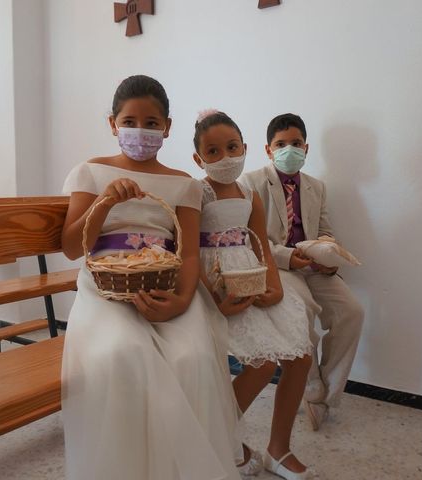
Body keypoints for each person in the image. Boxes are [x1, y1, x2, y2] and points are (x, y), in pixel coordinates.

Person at [60, 75, 241, 480]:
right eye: (129, 121)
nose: (140, 131)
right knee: (123, 353)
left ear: (168, 127)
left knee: (191, 357)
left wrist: (180, 300)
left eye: (151, 123)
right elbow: (73, 247)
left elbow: (189, 252)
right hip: (106, 288)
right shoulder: (90, 172)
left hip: (167, 282)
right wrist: (105, 203)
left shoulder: (182, 184)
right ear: (112, 124)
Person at [194, 110, 315, 480]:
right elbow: (187, 250)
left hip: (251, 275)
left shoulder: (249, 194)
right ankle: (213, 437)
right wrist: (214, 295)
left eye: (232, 147)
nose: (225, 157)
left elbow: (260, 243)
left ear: (245, 148)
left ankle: (278, 448)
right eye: (212, 151)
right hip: (215, 283)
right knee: (262, 364)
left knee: (301, 352)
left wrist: (274, 285)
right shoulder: (197, 192)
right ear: (199, 159)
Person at [240, 113, 364, 431]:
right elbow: (251, 239)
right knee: (302, 312)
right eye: (281, 145)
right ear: (268, 150)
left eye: (296, 144)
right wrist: (288, 258)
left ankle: (324, 397)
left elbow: (325, 231)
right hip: (280, 266)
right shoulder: (251, 183)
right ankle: (309, 387)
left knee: (352, 311)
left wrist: (329, 255)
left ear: (306, 148)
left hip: (315, 268)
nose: (289, 150)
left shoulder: (316, 187)